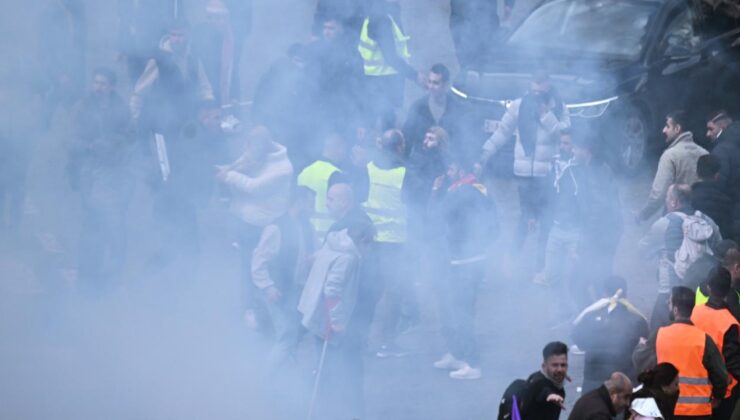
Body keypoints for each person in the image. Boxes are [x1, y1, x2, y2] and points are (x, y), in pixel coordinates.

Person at [479, 71, 570, 276]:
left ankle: (541, 266)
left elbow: (563, 134)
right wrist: (486, 152)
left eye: (541, 90)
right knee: (525, 217)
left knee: (546, 220)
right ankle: (512, 260)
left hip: (547, 173)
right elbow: (502, 132)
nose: (536, 94)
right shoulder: (519, 105)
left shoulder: (559, 106)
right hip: (523, 172)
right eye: (533, 90)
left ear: (549, 85)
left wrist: (545, 115)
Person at [217, 126, 294, 327]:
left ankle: (267, 313)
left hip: (267, 225)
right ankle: (249, 308)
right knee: (246, 266)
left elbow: (256, 188)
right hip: (246, 222)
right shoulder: (255, 153)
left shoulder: (282, 168)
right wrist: (230, 168)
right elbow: (242, 163)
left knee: (264, 267)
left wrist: (229, 177)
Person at [298, 224, 375, 420]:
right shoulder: (348, 258)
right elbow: (332, 290)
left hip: (315, 311)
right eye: (369, 245)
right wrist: (336, 321)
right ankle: (328, 411)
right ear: (363, 241)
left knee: (326, 367)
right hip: (325, 317)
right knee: (331, 369)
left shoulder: (333, 246)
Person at [429, 160, 497, 380]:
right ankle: (457, 354)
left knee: (460, 312)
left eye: (449, 168)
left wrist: (435, 190)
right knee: (456, 309)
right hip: (473, 259)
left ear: (458, 170)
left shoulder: (460, 192)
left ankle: (472, 363)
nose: (446, 172)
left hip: (462, 261)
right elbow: (495, 226)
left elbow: (433, 218)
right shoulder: (479, 189)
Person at [68, 67, 134, 296]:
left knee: (116, 227)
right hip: (91, 173)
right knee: (92, 226)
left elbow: (130, 135)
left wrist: (115, 143)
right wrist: (90, 147)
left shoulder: (121, 108)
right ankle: (87, 278)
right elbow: (73, 141)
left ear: (112, 87)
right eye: (95, 82)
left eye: (103, 84)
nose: (98, 87)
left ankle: (113, 277)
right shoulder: (82, 108)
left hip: (116, 174)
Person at [543, 132, 622, 315]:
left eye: (576, 147)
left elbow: (597, 210)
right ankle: (602, 318)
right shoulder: (594, 168)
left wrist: (582, 243)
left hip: (601, 237)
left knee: (584, 283)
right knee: (594, 281)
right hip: (606, 234)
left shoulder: (595, 172)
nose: (573, 150)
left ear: (587, 150)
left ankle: (600, 321)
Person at [633, 286, 729, 419]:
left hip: (666, 409)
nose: (667, 304)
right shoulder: (704, 339)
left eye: (670, 302)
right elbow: (721, 376)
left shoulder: (660, 335)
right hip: (698, 413)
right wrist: (718, 397)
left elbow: (640, 361)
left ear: (676, 309)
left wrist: (640, 346)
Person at [639, 184, 721, 331]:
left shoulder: (664, 224)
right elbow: (719, 249)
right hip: (702, 294)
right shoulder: (707, 221)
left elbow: (642, 249)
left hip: (670, 294)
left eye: (667, 198)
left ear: (674, 202)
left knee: (657, 337)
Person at [364, 129, 416, 358]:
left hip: (370, 239)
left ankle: (364, 339)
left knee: (371, 290)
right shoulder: (404, 173)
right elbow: (415, 205)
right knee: (392, 293)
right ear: (399, 147)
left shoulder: (368, 168)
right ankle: (386, 342)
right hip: (395, 241)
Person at [251, 186, 316, 369]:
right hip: (277, 292)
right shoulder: (276, 228)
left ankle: (285, 372)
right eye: (311, 204)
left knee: (295, 332)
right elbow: (258, 263)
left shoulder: (307, 227)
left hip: (297, 291)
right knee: (286, 335)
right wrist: (268, 287)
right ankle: (266, 380)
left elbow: (314, 253)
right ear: (300, 203)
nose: (314, 209)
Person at [572, 276, 649, 393]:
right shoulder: (637, 319)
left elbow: (579, 341)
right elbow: (643, 349)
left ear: (604, 292)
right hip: (623, 381)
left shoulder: (589, 316)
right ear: (625, 294)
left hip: (593, 382)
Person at [252, 43, 318, 171]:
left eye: (303, 62)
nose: (300, 65)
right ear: (290, 59)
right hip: (277, 130)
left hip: (298, 133)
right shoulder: (274, 76)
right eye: (297, 60)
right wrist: (259, 125)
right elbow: (260, 102)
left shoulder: (308, 79)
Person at [357, 0, 423, 123]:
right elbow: (391, 57)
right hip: (383, 85)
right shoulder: (381, 18)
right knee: (385, 127)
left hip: (379, 83)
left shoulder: (381, 12)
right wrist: (415, 75)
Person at [638, 111, 708, 222]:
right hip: (702, 218)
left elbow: (659, 194)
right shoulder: (704, 153)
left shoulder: (670, 156)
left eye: (667, 126)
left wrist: (642, 216)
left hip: (677, 218)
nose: (663, 130)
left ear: (677, 128)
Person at [690, 266, 740, 419]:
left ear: (708, 287)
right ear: (728, 289)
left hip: (693, 385)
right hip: (721, 393)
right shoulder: (730, 322)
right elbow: (732, 364)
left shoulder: (694, 312)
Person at [402, 64, 470, 161]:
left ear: (446, 85)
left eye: (435, 83)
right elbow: (407, 138)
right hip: (421, 164)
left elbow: (463, 141)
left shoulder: (457, 108)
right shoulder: (418, 107)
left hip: (448, 165)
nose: (431, 87)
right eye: (429, 82)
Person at [191, 0, 244, 106]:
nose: (220, 22)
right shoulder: (199, 34)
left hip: (225, 99)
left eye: (221, 17)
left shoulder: (233, 38)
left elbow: (233, 71)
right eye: (212, 17)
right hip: (204, 97)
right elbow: (196, 69)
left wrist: (234, 96)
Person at [297, 133, 348, 239]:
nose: (344, 153)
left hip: (305, 234)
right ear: (338, 148)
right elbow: (342, 208)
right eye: (344, 148)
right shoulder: (336, 174)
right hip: (327, 235)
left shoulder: (304, 172)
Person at [449, 0, 514, 68]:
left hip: (485, 16)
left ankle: (475, 72)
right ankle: (467, 71)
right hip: (460, 14)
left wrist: (508, 8)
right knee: (464, 53)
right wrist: (508, 10)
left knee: (482, 55)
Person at [710, 120, 740, 242]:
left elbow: (719, 185)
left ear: (723, 127)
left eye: (710, 129)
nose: (707, 133)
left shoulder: (722, 150)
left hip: (733, 212)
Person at [523, 341, 570, 420]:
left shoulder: (539, 376)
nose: (560, 369)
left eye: (563, 365)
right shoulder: (538, 382)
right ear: (544, 366)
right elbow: (540, 389)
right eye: (555, 365)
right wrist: (550, 394)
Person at [691, 154, 732, 238]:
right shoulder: (726, 201)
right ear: (717, 175)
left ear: (697, 173)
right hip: (716, 247)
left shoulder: (689, 197)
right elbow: (727, 231)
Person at [568, 372, 632, 420]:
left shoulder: (593, 397)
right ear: (613, 393)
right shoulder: (600, 414)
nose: (627, 403)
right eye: (625, 397)